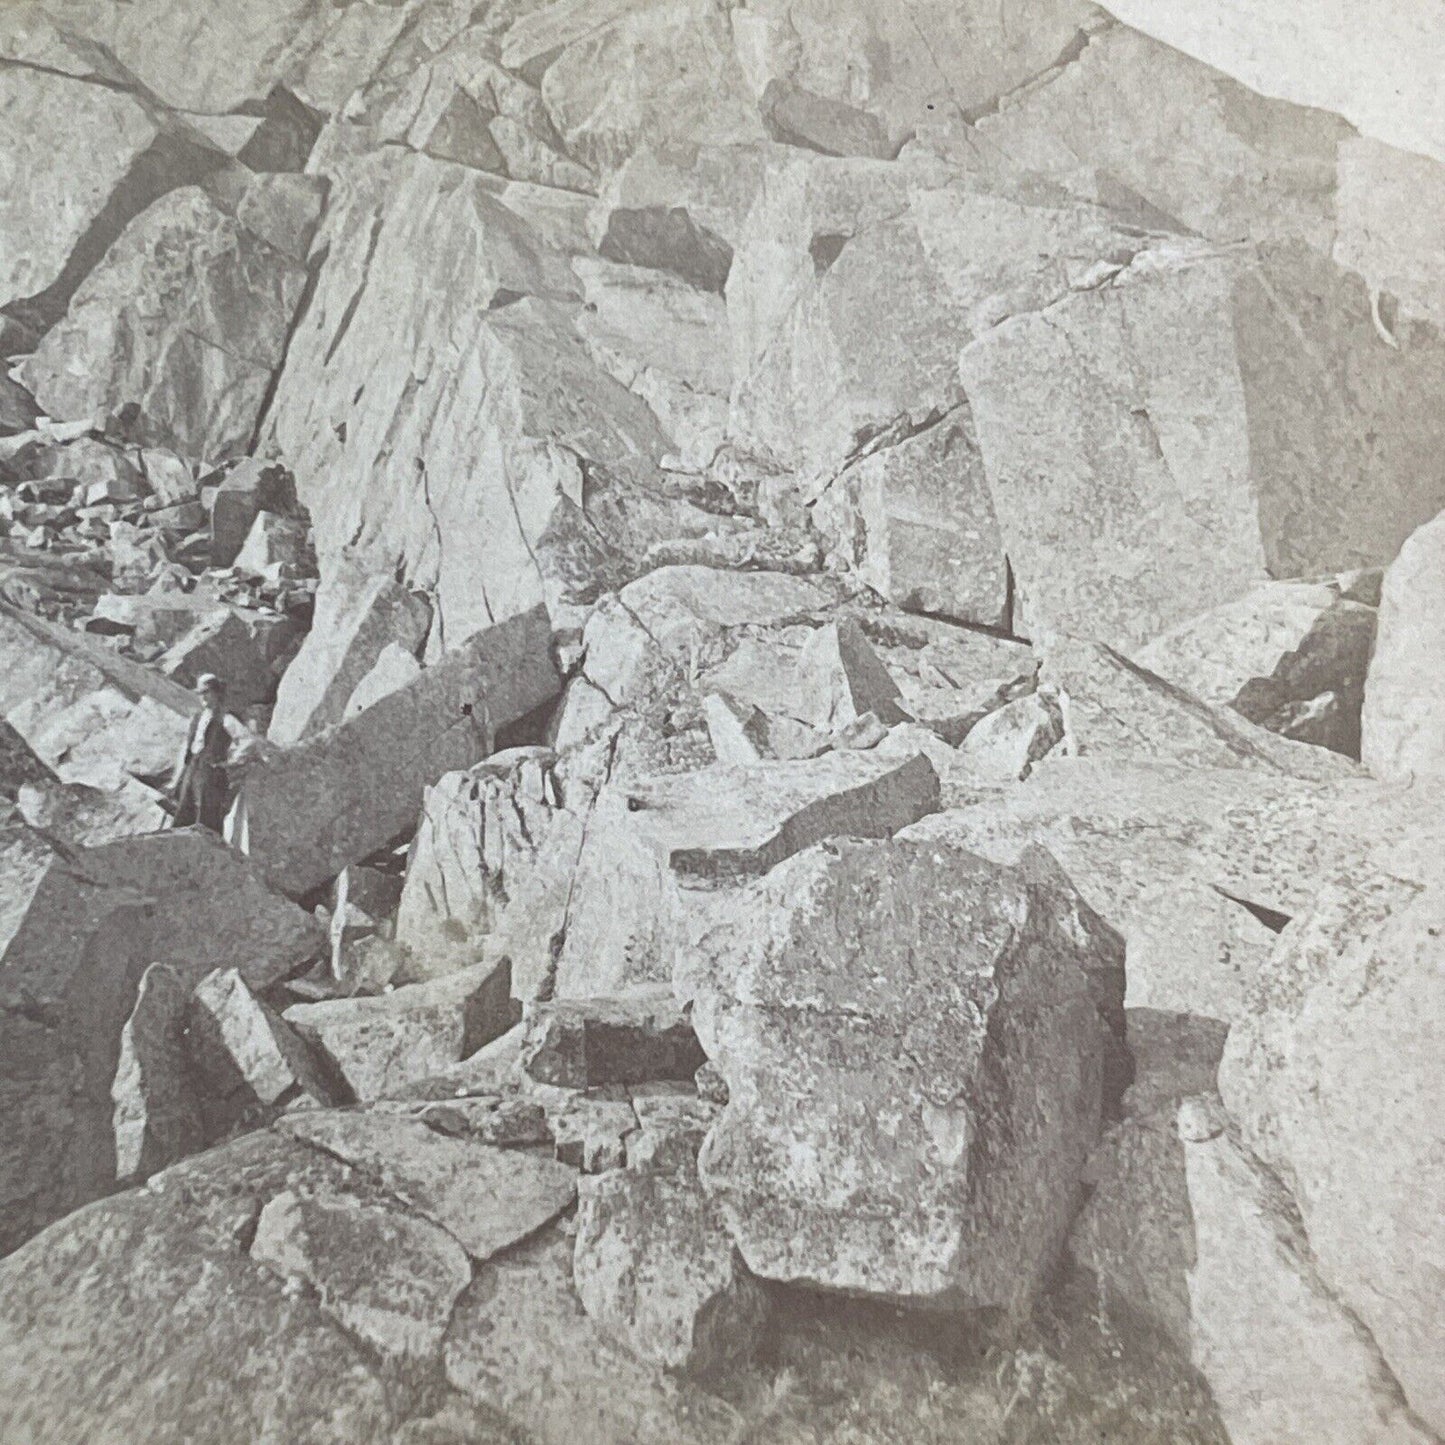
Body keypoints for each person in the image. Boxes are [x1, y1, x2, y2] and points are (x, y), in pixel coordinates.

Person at [168, 674, 251, 833]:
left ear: (216, 693)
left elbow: (247, 740)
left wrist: (232, 761)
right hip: (192, 770)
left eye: (206, 692)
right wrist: (175, 780)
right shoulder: (197, 718)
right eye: (200, 693)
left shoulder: (226, 718)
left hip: (211, 774)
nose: (203, 697)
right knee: (184, 811)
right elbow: (187, 748)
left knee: (208, 816)